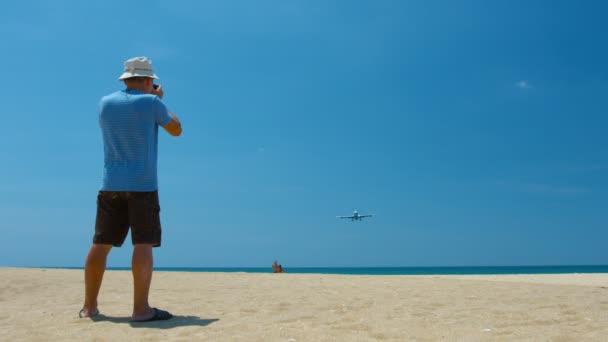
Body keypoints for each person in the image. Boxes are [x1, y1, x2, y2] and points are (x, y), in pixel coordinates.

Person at [80, 57, 182, 322]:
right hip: (143, 184)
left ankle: (89, 307)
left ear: (125, 79)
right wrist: (158, 100)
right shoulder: (151, 103)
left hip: (110, 183)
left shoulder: (105, 103)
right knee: (143, 244)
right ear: (149, 80)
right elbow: (176, 129)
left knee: (100, 245)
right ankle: (140, 310)